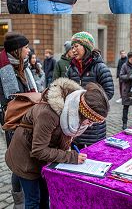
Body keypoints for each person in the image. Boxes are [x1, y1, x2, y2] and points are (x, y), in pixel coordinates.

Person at [5, 78, 109, 209]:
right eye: (90, 121)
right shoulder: (48, 114)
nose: (90, 125)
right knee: (33, 200)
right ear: (82, 112)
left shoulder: (72, 111)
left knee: (45, 196)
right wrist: (71, 157)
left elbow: (61, 138)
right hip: (25, 160)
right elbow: (38, 150)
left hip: (42, 160)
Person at [0, 33, 34, 209]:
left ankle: (28, 196)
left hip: (29, 122)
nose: (29, 50)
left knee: (27, 159)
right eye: (26, 47)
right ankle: (19, 201)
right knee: (17, 162)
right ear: (17, 50)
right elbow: (4, 103)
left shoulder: (24, 67)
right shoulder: (3, 70)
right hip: (14, 124)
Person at [66, 32, 114, 149]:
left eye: (76, 46)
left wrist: (89, 104)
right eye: (72, 47)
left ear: (86, 47)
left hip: (93, 122)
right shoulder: (71, 68)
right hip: (76, 121)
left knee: (95, 153)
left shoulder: (100, 67)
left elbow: (109, 92)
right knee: (77, 153)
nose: (73, 50)